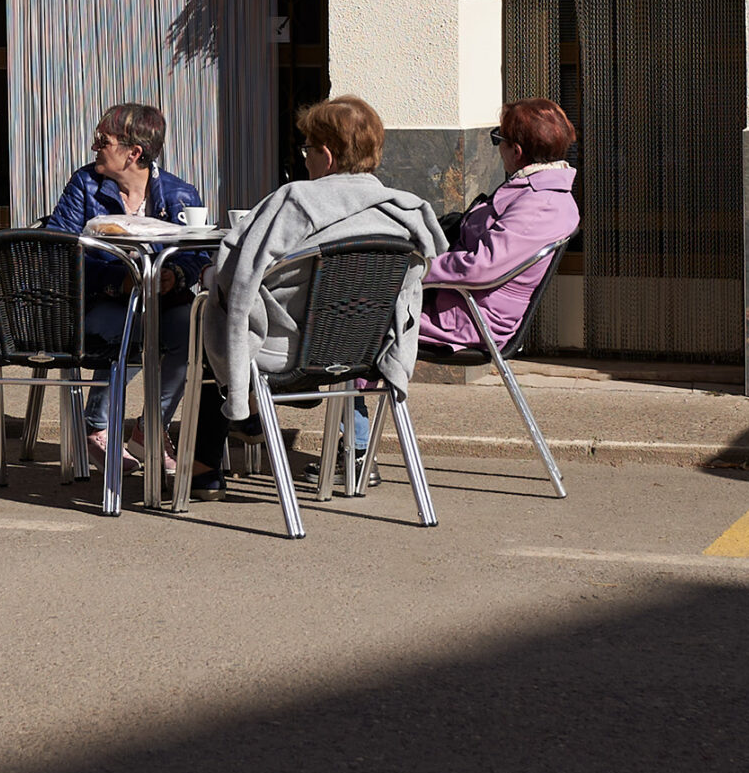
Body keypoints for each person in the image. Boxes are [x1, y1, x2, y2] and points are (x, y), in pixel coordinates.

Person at [189, 95, 445, 500]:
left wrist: (207, 280)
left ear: (326, 155)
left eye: (307, 148)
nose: (305, 158)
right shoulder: (404, 213)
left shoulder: (296, 201)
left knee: (206, 316)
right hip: (364, 353)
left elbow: (235, 277)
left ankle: (207, 466)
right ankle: (248, 419)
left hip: (281, 353)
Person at [43, 104, 205, 474]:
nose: (93, 148)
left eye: (103, 141)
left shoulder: (179, 194)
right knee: (132, 327)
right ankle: (96, 427)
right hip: (100, 302)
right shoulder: (85, 185)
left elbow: (197, 253)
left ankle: (151, 428)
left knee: (193, 329)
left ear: (134, 152)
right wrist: (117, 280)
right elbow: (59, 252)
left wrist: (176, 275)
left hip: (161, 301)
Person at [419, 98, 579, 354]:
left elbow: (481, 266)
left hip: (468, 319)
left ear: (516, 151)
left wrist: (419, 268)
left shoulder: (542, 205)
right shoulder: (536, 191)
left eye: (498, 139)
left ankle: (366, 379)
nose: (497, 148)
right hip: (457, 303)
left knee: (363, 318)